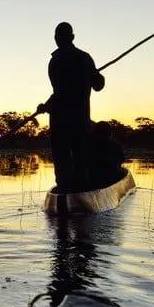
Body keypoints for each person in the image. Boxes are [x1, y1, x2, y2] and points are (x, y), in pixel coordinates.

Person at [37, 22, 105, 190]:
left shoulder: (55, 62)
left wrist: (46, 106)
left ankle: (66, 191)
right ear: (72, 37)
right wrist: (97, 76)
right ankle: (79, 191)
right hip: (78, 120)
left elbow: (59, 93)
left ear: (56, 39)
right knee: (79, 158)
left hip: (62, 121)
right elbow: (98, 85)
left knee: (64, 161)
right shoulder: (84, 58)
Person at [88, 121, 125, 188]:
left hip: (93, 176)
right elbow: (121, 160)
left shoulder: (89, 144)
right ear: (109, 133)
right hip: (109, 177)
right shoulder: (116, 145)